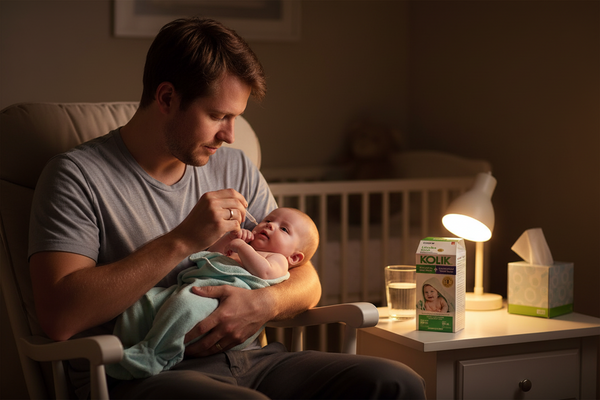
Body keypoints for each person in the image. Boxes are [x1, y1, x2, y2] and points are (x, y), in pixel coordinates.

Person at [28, 17, 426, 399]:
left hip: (255, 361)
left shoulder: (234, 165)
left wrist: (261, 304)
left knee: (394, 382)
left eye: (235, 117)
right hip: (145, 372)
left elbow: (305, 276)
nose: (229, 134)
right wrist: (183, 240)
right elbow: (60, 316)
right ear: (167, 98)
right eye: (217, 115)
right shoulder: (76, 176)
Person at [106, 207, 320, 380]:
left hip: (219, 306)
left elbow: (264, 272)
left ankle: (155, 353)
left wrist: (240, 247)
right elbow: (209, 256)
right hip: (190, 288)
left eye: (284, 229)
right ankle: (128, 344)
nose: (271, 225)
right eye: (268, 220)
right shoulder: (245, 246)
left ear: (295, 258)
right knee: (144, 300)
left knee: (185, 307)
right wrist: (227, 241)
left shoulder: (278, 260)